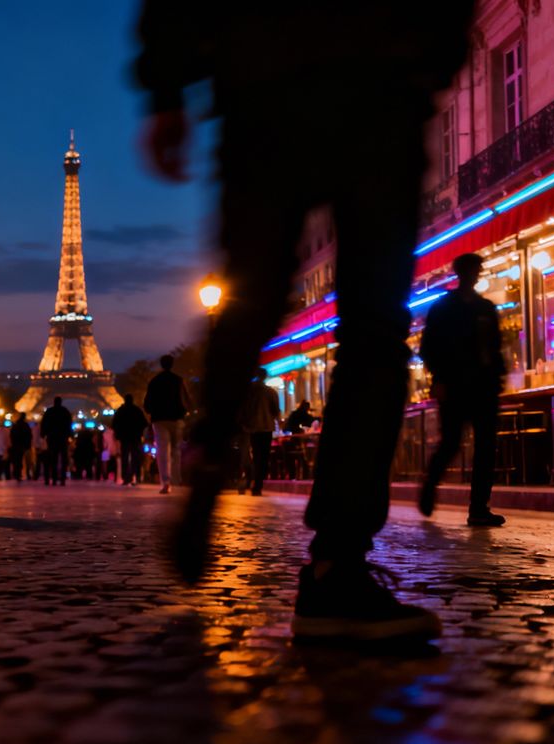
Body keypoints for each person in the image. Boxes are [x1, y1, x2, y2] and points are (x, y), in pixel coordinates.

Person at [137, 1, 476, 641]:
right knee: (374, 333)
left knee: (251, 298)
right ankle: (335, 564)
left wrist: (167, 88)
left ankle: (211, 447)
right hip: (379, 76)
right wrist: (435, 54)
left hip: (264, 76)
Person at [416, 253, 507, 526]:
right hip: (456, 384)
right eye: (474, 270)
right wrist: (440, 378)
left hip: (483, 386)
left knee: (485, 447)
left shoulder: (485, 308)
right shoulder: (446, 308)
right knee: (452, 441)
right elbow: (430, 348)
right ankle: (431, 485)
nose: (476, 275)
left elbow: (495, 347)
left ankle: (479, 507)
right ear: (463, 273)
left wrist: (496, 377)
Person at [143, 354, 191, 494]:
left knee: (162, 451)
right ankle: (177, 479)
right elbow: (187, 400)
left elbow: (147, 403)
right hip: (176, 419)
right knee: (176, 450)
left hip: (160, 419)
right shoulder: (179, 380)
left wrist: (152, 411)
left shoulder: (154, 381)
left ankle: (166, 482)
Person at [237, 369, 280, 496]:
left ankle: (252, 481)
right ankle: (258, 485)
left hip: (253, 428)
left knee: (255, 455)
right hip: (266, 428)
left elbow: (243, 410)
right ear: (265, 377)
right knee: (264, 456)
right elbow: (275, 410)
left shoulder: (250, 392)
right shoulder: (271, 392)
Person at [111, 393, 148, 486]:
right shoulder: (137, 410)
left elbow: (114, 424)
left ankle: (126, 477)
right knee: (136, 457)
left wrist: (118, 434)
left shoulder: (120, 411)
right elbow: (144, 423)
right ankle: (137, 476)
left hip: (124, 437)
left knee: (125, 457)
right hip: (135, 437)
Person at [40, 397, 73, 486]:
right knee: (63, 459)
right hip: (62, 438)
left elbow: (44, 423)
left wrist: (43, 434)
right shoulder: (65, 411)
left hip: (52, 437)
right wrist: (69, 435)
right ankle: (62, 479)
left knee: (53, 459)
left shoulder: (49, 411)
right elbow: (69, 423)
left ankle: (54, 479)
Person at [9, 412, 33, 481]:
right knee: (27, 460)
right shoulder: (25, 425)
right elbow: (29, 435)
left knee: (18, 460)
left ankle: (18, 474)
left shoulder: (16, 425)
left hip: (17, 445)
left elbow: (12, 435)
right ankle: (27, 474)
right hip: (24, 445)